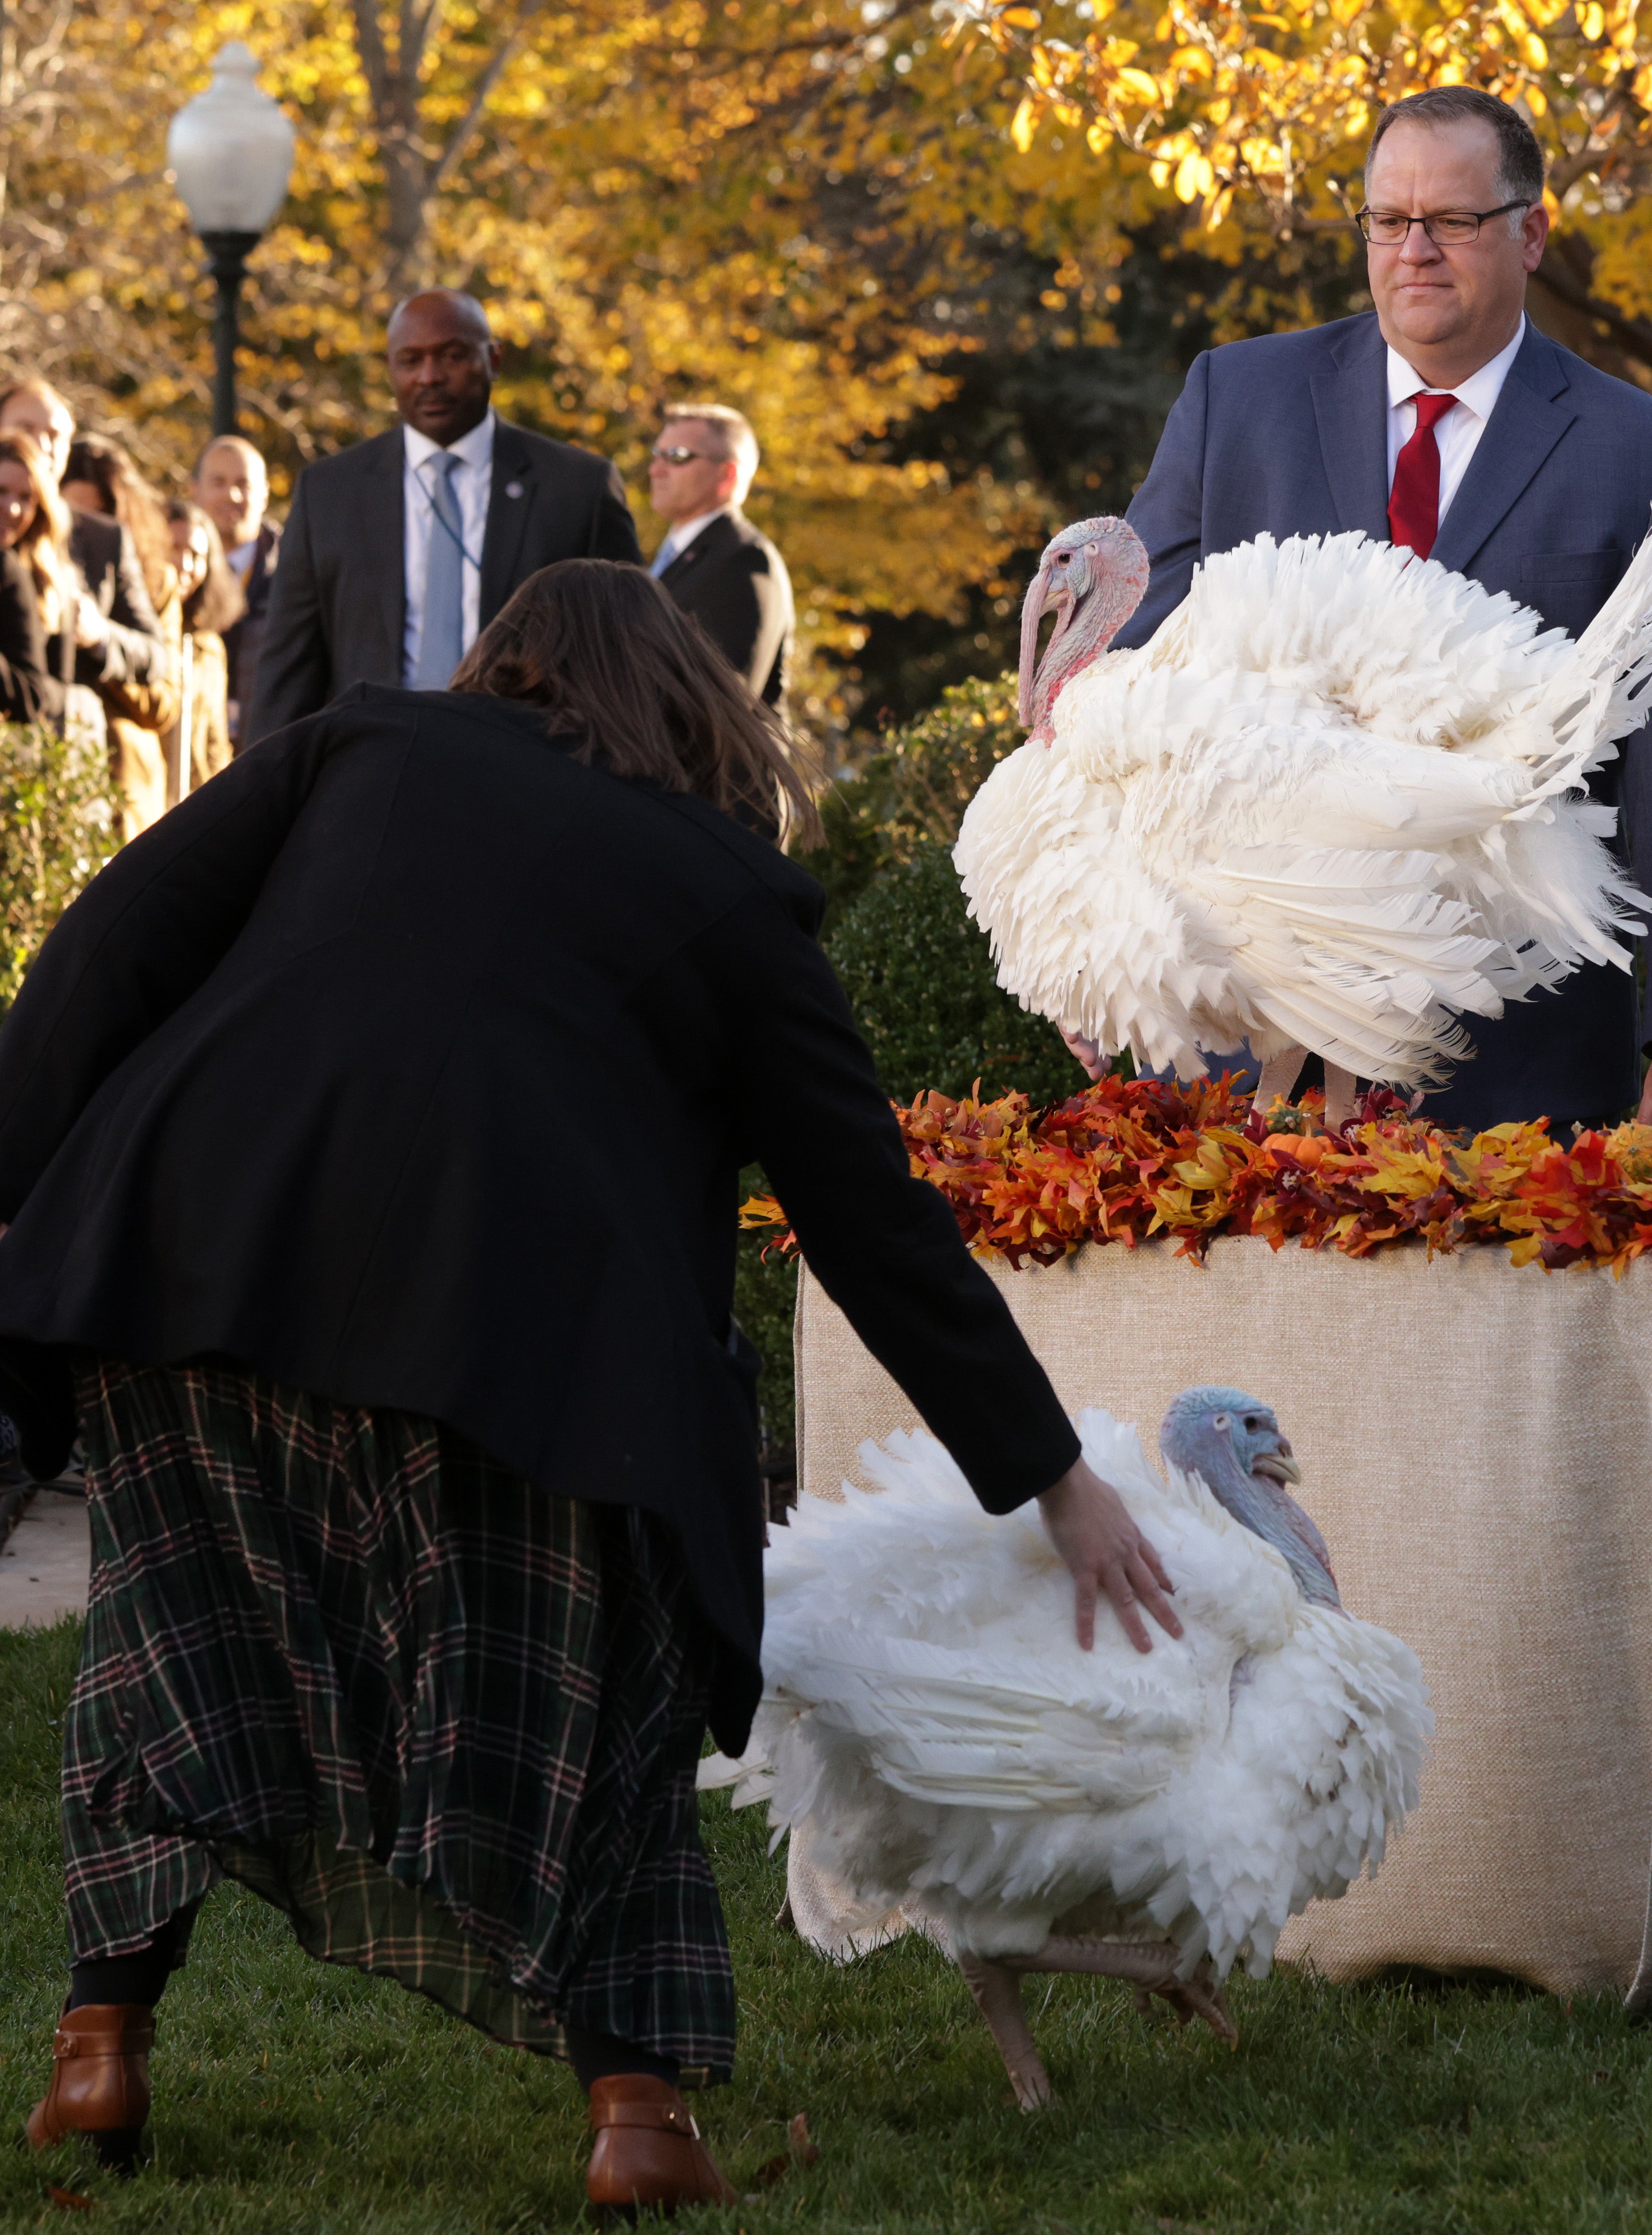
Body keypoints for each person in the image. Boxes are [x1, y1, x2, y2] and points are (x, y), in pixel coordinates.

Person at [0, 560, 1188, 2210]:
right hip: (525, 1335)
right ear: (694, 702)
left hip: (204, 1266)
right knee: (616, 1689)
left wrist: (19, 1188)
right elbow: (869, 1215)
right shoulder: (726, 884)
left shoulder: (362, 745)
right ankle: (637, 2116)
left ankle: (98, 2046)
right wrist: (1055, 1474)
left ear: (508, 667)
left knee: (167, 1654)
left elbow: (103, 952)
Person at [1117, 86, 1652, 1142]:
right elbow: (1130, 678)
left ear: (1532, 233)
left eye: (1454, 220)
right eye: (1387, 219)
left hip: (1519, 1069)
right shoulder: (1239, 402)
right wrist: (1103, 947)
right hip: (1247, 1051)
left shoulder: (1642, 456)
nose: (1414, 248)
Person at [245, 291, 643, 741]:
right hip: (376, 769)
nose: (430, 377)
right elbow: (289, 663)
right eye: (410, 361)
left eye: (452, 357)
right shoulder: (330, 491)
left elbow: (630, 660)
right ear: (390, 370)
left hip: (533, 775)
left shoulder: (578, 488)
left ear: (493, 360)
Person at [0, 385, 170, 812]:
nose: (42, 443)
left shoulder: (103, 540)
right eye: (26, 427)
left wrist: (99, 635)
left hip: (65, 772)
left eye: (55, 434)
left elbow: (157, 656)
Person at [56, 435, 185, 829]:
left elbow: (165, 702)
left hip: (125, 788)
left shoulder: (156, 582)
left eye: (95, 515)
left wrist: (99, 642)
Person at [645, 402, 794, 705]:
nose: (656, 469)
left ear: (727, 474)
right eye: (657, 454)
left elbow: (724, 707)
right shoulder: (676, 553)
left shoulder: (745, 560)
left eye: (677, 456)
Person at [0, 429, 106, 750]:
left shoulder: (46, 579)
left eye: (25, 498)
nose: (12, 509)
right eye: (1, 491)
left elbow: (42, 696)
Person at [189, 436, 278, 738]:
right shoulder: (167, 571)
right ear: (194, 490)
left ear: (265, 495)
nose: (232, 495)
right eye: (218, 482)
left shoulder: (297, 576)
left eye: (244, 484)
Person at [156, 496, 242, 798]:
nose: (185, 565)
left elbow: (215, 745)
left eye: (196, 554)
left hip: (190, 807)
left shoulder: (210, 648)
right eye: (174, 549)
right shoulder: (136, 632)